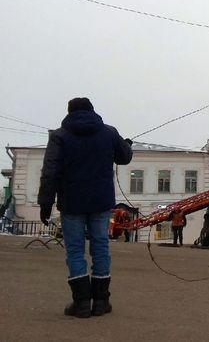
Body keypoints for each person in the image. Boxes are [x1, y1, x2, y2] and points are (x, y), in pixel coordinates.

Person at [38, 97, 133, 318]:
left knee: (74, 250)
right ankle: (101, 302)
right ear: (92, 110)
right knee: (100, 246)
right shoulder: (108, 132)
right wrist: (126, 144)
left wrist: (45, 202)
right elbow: (125, 157)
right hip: (101, 201)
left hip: (72, 202)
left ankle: (81, 303)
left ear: (69, 112)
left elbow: (50, 171)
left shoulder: (59, 136)